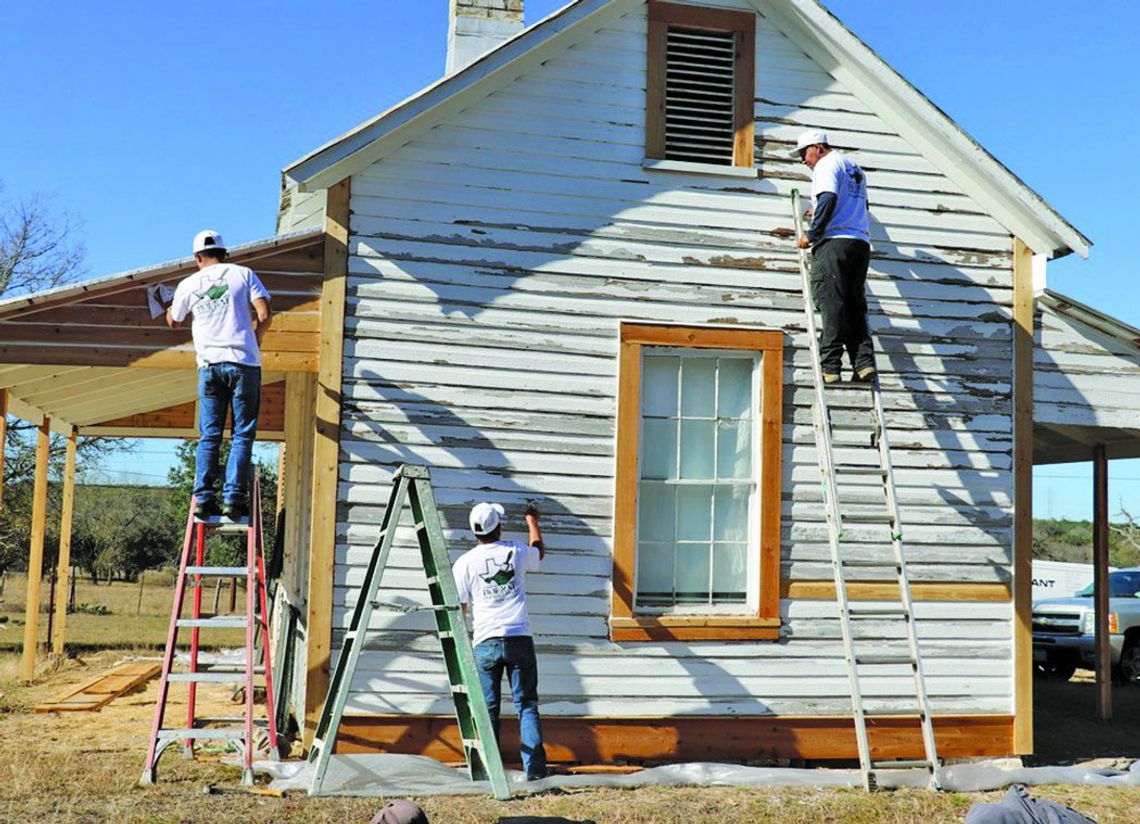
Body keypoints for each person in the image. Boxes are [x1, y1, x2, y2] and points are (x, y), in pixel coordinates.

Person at [167, 230, 272, 520]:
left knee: (209, 435)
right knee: (242, 434)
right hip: (244, 364)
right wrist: (256, 339)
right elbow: (264, 313)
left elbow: (174, 321)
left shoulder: (189, 283)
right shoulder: (244, 274)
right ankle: (233, 499)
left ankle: (203, 499)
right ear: (225, 253)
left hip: (210, 366)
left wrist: (172, 307)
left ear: (197, 257)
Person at [452, 501, 548, 780]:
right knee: (527, 705)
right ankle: (536, 773)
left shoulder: (464, 563)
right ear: (499, 527)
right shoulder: (516, 550)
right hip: (519, 637)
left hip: (485, 640)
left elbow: (461, 608)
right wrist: (532, 522)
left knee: (488, 710)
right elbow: (538, 556)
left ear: (474, 532)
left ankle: (487, 773)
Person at [792, 130, 876, 384]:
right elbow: (859, 206)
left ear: (817, 147)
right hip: (859, 244)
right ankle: (863, 364)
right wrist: (816, 209)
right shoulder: (853, 167)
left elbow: (829, 197)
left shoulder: (825, 165)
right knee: (854, 305)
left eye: (804, 153)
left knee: (831, 302)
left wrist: (813, 234)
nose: (803, 160)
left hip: (834, 244)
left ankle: (830, 367)